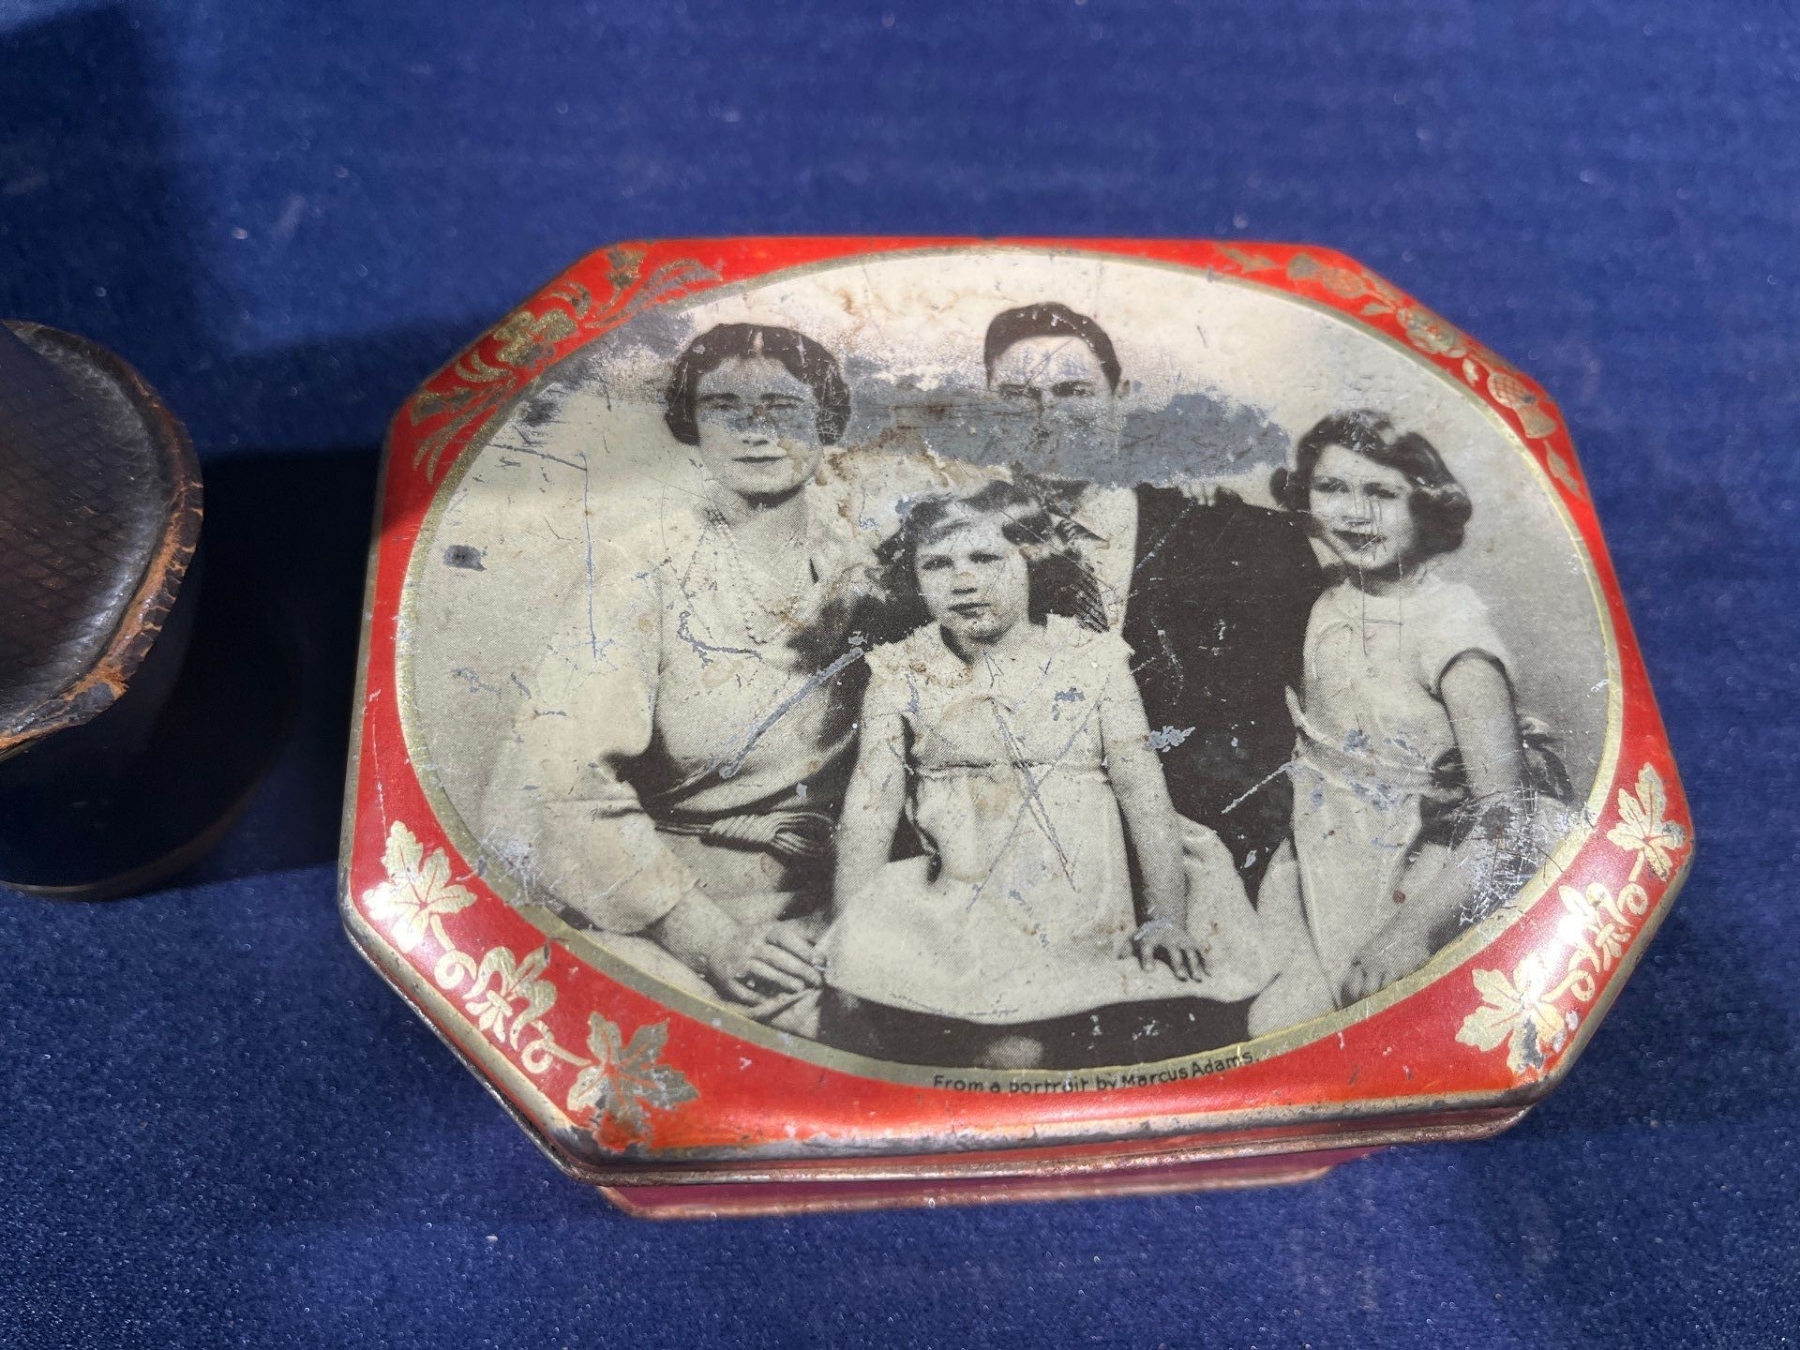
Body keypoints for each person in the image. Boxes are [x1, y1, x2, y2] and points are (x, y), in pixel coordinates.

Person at [481, 323, 873, 1033]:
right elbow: (554, 778)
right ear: (691, 423)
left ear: (826, 421)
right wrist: (706, 938)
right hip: (674, 912)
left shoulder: (874, 569)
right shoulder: (642, 568)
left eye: (783, 407)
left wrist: (854, 915)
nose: (756, 432)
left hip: (843, 904)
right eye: (725, 407)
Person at [821, 482, 1268, 1069]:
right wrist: (850, 935)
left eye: (986, 558)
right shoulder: (901, 670)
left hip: (1083, 897)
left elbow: (1142, 791)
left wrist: (1166, 915)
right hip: (965, 893)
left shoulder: (1092, 659)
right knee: (939, 1038)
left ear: (1034, 562)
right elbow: (870, 808)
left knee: (1033, 1048)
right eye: (937, 564)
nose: (962, 581)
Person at [1247, 411, 1568, 1032]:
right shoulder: (1330, 595)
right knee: (1273, 1019)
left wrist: (1410, 931)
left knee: (1350, 1024)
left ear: (1426, 504)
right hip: (1325, 847)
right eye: (1331, 489)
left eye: (1382, 493)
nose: (1354, 514)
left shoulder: (1452, 637)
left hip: (1425, 867)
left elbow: (1506, 813)